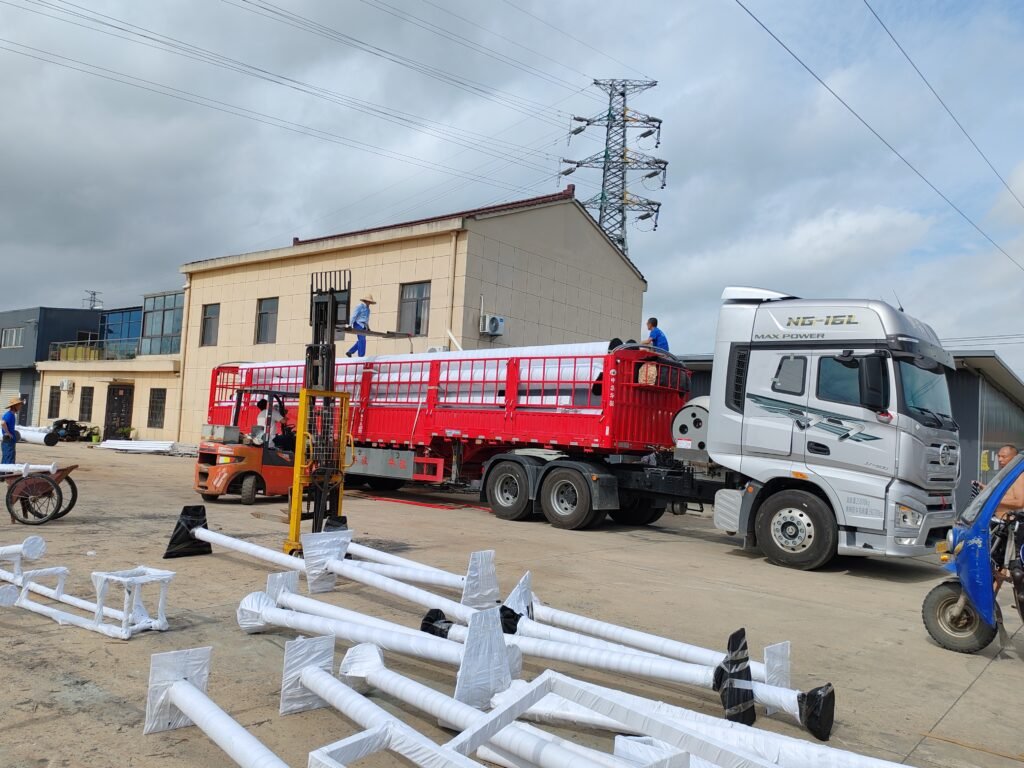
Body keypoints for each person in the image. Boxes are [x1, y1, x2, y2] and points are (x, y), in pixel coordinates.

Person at [345, 293, 376, 358]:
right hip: (358, 324)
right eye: (369, 301)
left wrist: (368, 327)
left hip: (363, 326)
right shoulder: (360, 306)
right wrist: (349, 325)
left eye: (370, 302)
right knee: (362, 340)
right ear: (366, 301)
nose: (369, 303)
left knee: (361, 340)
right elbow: (354, 315)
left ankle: (350, 352)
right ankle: (361, 356)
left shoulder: (368, 309)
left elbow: (366, 319)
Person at [2, 396, 20, 464]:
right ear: (14, 406)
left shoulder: (11, 415)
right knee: (8, 460)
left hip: (9, 441)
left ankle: (4, 474)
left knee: (8, 459)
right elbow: (3, 423)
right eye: (19, 405)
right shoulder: (9, 415)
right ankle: (6, 474)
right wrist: (8, 433)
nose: (20, 406)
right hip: (8, 441)